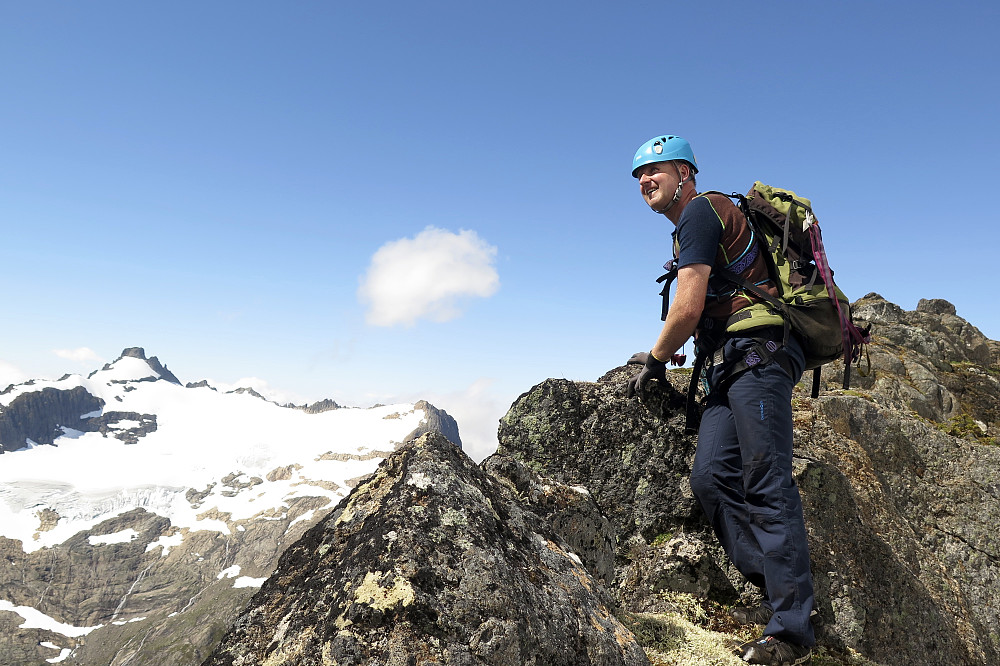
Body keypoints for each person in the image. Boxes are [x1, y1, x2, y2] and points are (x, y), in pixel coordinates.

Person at [626, 135, 815, 665]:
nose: (644, 180)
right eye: (637, 175)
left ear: (684, 171)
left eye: (655, 170)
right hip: (728, 365)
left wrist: (655, 359)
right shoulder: (694, 224)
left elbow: (686, 308)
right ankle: (776, 592)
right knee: (710, 475)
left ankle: (793, 631)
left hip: (759, 354)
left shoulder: (703, 212)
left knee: (765, 477)